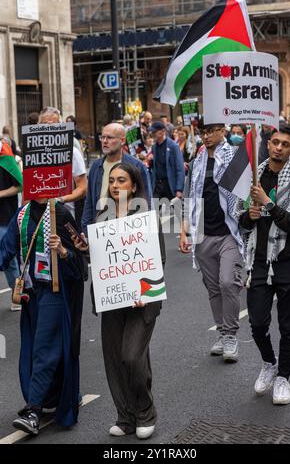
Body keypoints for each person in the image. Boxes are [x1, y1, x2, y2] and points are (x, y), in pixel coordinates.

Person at [75, 163, 165, 439]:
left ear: (134, 185)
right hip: (113, 298)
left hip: (142, 300)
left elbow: (157, 259)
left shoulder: (147, 216)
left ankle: (145, 412)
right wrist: (86, 250)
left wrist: (144, 292)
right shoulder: (103, 215)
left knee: (132, 356)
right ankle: (125, 418)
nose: (115, 185)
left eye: (121, 180)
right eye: (111, 180)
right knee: (114, 359)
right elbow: (103, 260)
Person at [0, 197, 85, 435]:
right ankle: (61, 394)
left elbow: (81, 259)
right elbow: (5, 251)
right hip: (31, 293)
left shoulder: (61, 214)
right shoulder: (21, 215)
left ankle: (33, 412)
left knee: (44, 349)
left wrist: (63, 251)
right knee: (35, 348)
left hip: (55, 291)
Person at [237, 124, 290, 405]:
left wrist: (268, 204)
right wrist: (250, 215)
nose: (278, 147)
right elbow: (241, 220)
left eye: (285, 144)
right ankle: (269, 363)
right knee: (257, 321)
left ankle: (284, 377)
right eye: (275, 142)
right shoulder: (254, 174)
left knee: (288, 327)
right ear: (269, 144)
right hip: (260, 262)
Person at [180, 122, 244, 362]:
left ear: (223, 131)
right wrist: (185, 229)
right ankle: (221, 331)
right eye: (203, 132)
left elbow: (245, 192)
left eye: (210, 131)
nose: (205, 136)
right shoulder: (197, 162)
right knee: (213, 287)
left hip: (230, 231)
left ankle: (230, 336)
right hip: (203, 234)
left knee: (228, 283)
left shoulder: (234, 158)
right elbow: (189, 196)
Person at [81, 122, 152, 232]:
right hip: (100, 230)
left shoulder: (137, 166)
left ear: (122, 141)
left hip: (129, 230)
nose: (104, 141)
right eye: (102, 137)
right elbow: (89, 202)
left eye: (109, 138)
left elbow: (146, 200)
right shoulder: (96, 166)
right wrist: (86, 231)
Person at [39, 108, 87, 228]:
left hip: (66, 217)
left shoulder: (73, 152)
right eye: (45, 124)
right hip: (38, 217)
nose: (50, 128)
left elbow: (82, 187)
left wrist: (60, 199)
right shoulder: (34, 153)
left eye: (54, 124)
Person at [0, 139, 23, 311]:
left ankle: (17, 296)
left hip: (4, 217)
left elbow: (20, 186)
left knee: (8, 258)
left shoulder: (7, 159)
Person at [150, 121, 185, 202]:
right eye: (152, 132)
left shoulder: (173, 146)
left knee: (174, 213)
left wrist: (179, 189)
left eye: (155, 132)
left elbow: (180, 168)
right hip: (158, 186)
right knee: (155, 212)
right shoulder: (154, 147)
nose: (153, 134)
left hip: (170, 186)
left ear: (163, 132)